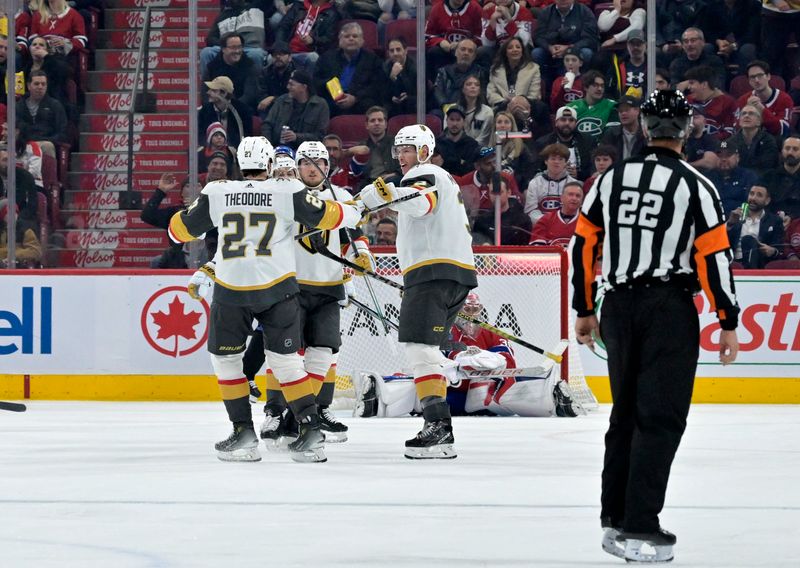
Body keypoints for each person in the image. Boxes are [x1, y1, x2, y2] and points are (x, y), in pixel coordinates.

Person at [571, 90, 739, 563]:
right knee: (659, 417)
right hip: (668, 307)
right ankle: (642, 526)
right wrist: (728, 319)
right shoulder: (696, 186)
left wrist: (585, 308)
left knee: (624, 413)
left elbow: (582, 248)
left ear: (644, 128)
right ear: (685, 130)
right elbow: (714, 259)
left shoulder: (609, 180)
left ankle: (615, 518)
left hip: (618, 307)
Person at [169, 136, 365, 464]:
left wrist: (198, 223)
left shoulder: (217, 192)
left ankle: (243, 432)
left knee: (227, 362)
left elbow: (178, 232)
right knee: (287, 362)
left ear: (239, 166)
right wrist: (356, 210)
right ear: (270, 165)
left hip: (232, 292)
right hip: (279, 290)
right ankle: (310, 431)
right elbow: (330, 217)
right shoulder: (286, 190)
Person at [359, 124, 477, 459]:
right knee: (427, 349)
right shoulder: (441, 177)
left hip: (433, 274)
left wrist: (380, 196)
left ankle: (438, 425)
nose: (402, 157)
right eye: (399, 151)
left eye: (408, 149)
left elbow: (420, 204)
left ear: (424, 151)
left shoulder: (426, 173)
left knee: (419, 348)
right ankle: (438, 424)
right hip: (450, 274)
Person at [354, 292, 578, 418]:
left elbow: (506, 358)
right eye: (466, 310)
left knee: (497, 393)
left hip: (478, 395)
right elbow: (433, 358)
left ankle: (555, 398)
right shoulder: (443, 329)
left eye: (475, 310)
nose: (471, 314)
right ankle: (375, 396)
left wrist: (480, 358)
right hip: (448, 393)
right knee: (417, 390)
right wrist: (457, 361)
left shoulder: (489, 331)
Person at [314, 22, 385, 116]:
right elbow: (316, 80)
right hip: (331, 100)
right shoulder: (327, 58)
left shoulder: (373, 60)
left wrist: (355, 98)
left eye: (355, 36)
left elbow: (377, 85)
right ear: (339, 41)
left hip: (361, 102)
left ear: (362, 40)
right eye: (347, 36)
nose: (351, 39)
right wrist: (332, 88)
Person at [531, 0, 599, 84]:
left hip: (575, 49)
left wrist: (569, 48)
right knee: (536, 53)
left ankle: (580, 84)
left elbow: (590, 38)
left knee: (586, 53)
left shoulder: (584, 11)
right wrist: (549, 47)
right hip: (552, 51)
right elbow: (538, 37)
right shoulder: (546, 12)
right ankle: (545, 86)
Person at [261, 69, 329, 148]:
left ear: (304, 87)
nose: (288, 87)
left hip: (306, 151)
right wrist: (268, 146)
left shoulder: (320, 105)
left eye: (291, 84)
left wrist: (296, 137)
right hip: (278, 148)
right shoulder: (282, 101)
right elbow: (267, 125)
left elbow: (320, 136)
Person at [201, 0, 270, 77]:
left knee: (256, 54)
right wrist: (226, 46)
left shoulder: (257, 8)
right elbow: (210, 38)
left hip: (249, 49)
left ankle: (256, 87)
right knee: (206, 52)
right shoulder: (222, 16)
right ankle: (209, 87)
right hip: (227, 48)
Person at [726, 184, 784, 268]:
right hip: (735, 264)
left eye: (759, 195)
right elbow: (720, 243)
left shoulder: (775, 221)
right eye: (751, 194)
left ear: (767, 201)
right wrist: (730, 224)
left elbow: (780, 250)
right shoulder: (734, 216)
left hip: (760, 265)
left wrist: (772, 251)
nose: (753, 198)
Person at [276, 0, 341, 72]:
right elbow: (283, 27)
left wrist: (313, 40)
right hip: (287, 51)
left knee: (313, 57)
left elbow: (329, 39)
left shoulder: (332, 14)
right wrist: (281, 48)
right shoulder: (299, 6)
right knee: (266, 56)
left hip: (307, 54)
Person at [735, 61, 794, 139]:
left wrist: (762, 110)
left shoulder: (784, 99)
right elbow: (736, 129)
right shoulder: (743, 100)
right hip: (750, 143)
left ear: (768, 76)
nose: (756, 80)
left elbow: (783, 130)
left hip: (775, 143)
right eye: (752, 77)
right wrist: (748, 111)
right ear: (749, 81)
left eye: (760, 75)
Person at [534, 106, 593, 181]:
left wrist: (578, 174)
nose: (567, 123)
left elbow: (591, 168)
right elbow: (537, 169)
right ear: (556, 123)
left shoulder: (587, 141)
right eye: (563, 119)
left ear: (575, 123)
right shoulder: (543, 143)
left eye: (571, 120)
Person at [16, 70, 67, 155]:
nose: (40, 87)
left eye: (43, 84)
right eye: (36, 84)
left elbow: (63, 131)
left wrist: (49, 140)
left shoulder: (55, 105)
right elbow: (16, 127)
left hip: (46, 142)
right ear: (28, 86)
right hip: (24, 142)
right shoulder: (19, 106)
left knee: (47, 146)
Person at [524, 143, 576, 224]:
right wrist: (548, 222)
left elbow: (576, 210)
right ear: (546, 161)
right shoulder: (535, 183)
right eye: (553, 158)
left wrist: (562, 222)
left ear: (566, 162)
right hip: (542, 227)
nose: (556, 162)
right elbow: (530, 211)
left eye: (560, 159)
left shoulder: (574, 185)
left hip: (566, 226)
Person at [471, 176, 531, 245]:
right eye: (493, 192)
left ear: (508, 192)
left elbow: (526, 250)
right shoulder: (481, 222)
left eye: (500, 192)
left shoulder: (522, 221)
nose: (496, 196)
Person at [706, 139, 758, 217]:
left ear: (737, 157)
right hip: (712, 221)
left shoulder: (748, 177)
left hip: (740, 221)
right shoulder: (706, 177)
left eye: (728, 155)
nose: (723, 159)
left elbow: (752, 204)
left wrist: (741, 218)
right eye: (720, 155)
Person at [197, 76, 252, 148]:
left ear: (224, 93)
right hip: (211, 152)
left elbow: (246, 137)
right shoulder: (204, 111)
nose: (208, 92)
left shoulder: (242, 110)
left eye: (213, 90)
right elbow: (201, 136)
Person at [685, 65, 736, 140]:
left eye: (692, 83)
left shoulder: (728, 103)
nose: (688, 87)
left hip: (717, 148)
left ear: (704, 85)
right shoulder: (687, 101)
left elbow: (730, 133)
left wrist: (707, 141)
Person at [433, 38, 486, 110]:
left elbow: (482, 94)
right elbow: (438, 91)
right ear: (456, 52)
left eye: (470, 51)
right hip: (446, 109)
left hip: (472, 109)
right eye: (463, 49)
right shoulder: (444, 71)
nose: (466, 53)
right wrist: (445, 106)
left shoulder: (480, 72)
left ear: (474, 56)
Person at [567, 70, 620, 142]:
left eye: (602, 86)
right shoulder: (571, 107)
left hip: (602, 149)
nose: (600, 89)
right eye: (595, 85)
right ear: (586, 87)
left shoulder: (611, 106)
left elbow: (613, 134)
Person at [203, 33, 257, 103]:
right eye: (233, 48)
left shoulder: (249, 65)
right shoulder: (212, 67)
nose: (237, 51)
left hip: (242, 108)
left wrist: (232, 107)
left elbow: (249, 95)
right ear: (223, 49)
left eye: (239, 47)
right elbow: (205, 94)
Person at [529, 180, 583, 247]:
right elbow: (537, 251)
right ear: (562, 198)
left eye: (578, 196)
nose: (574, 198)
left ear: (582, 200)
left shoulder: (587, 223)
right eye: (570, 194)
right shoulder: (546, 220)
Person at [251, 41, 295, 117]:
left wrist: (273, 98)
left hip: (291, 108)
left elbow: (294, 95)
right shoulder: (265, 72)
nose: (278, 57)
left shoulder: (297, 73)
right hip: (270, 108)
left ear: (290, 57)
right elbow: (261, 94)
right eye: (274, 54)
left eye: (282, 54)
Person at [436, 106, 480, 177]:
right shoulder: (437, 143)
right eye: (452, 119)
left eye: (458, 120)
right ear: (447, 120)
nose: (454, 124)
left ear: (464, 122)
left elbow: (472, 171)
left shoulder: (472, 145)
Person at [599, 94, 645, 161]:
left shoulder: (646, 134)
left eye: (627, 110)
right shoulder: (611, 134)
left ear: (637, 111)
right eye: (620, 111)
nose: (623, 113)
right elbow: (601, 157)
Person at [0, 198, 41, 268]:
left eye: (15, 212)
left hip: (21, 268)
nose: (13, 216)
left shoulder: (26, 230)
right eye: (8, 213)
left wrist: (13, 255)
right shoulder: (2, 231)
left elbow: (35, 251)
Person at [382, 36, 417, 117]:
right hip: (393, 104)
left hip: (412, 102)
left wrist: (407, 97)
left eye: (398, 49)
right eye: (391, 51)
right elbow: (383, 93)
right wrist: (392, 76)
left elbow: (421, 93)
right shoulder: (385, 67)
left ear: (405, 50)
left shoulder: (416, 67)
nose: (395, 53)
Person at [457, 74, 494, 147]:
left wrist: (469, 146)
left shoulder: (487, 112)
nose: (473, 87)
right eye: (469, 84)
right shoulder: (453, 110)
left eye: (477, 85)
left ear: (479, 90)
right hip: (457, 148)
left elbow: (484, 138)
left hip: (479, 149)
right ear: (463, 89)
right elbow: (448, 133)